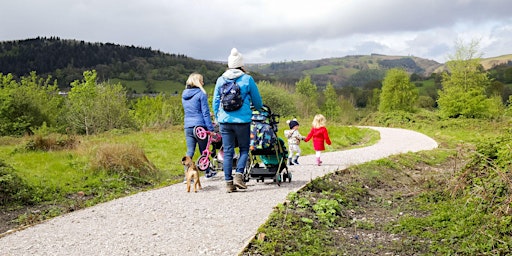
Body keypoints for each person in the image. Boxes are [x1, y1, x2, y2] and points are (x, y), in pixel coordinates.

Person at [212, 48, 263, 193]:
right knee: (244, 149)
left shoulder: (221, 79)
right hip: (242, 121)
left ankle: (229, 183)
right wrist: (259, 109)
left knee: (227, 151)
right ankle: (239, 176)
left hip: (225, 121)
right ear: (241, 65)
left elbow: (215, 101)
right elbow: (257, 100)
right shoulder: (247, 79)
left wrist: (218, 117)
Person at [182, 73, 217, 182]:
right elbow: (205, 113)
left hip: (188, 126)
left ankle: (187, 175)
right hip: (199, 127)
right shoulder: (201, 94)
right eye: (202, 81)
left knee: (190, 151)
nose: (203, 83)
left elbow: (192, 110)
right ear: (197, 82)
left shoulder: (184, 94)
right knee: (204, 149)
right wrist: (211, 129)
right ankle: (208, 172)